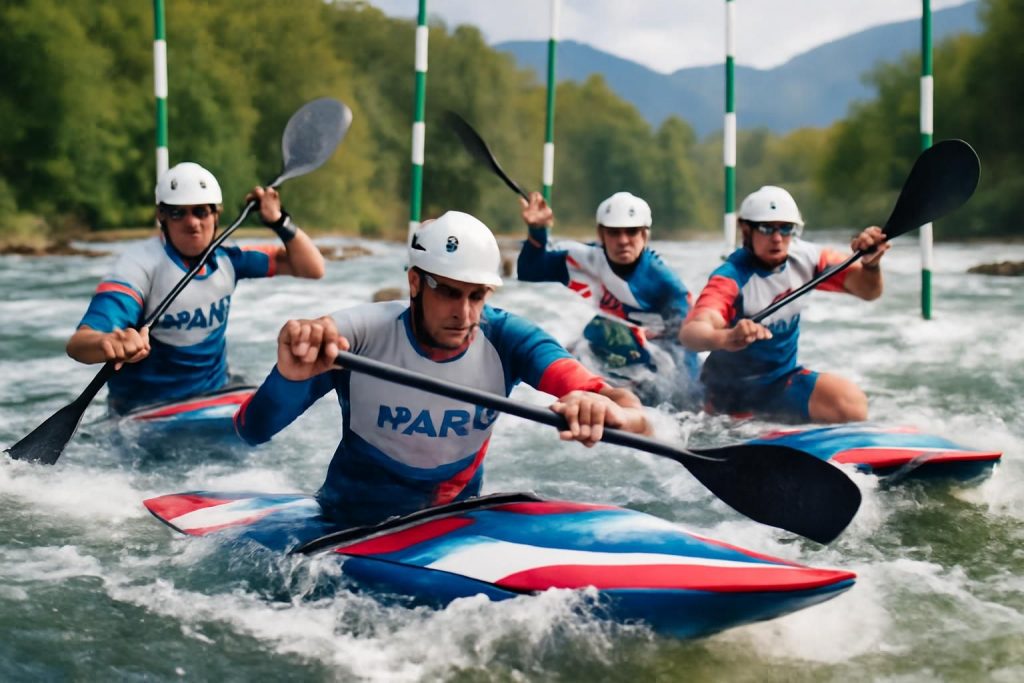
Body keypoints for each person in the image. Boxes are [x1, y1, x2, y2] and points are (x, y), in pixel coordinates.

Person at [234, 211, 650, 528]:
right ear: (415, 282)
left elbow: (631, 411)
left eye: (477, 295)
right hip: (344, 525)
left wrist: (605, 410)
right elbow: (252, 430)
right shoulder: (354, 336)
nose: (464, 314)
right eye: (449, 292)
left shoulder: (510, 339)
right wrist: (288, 378)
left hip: (450, 527)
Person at [66, 161, 325, 414]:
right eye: (178, 213)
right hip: (145, 407)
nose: (192, 222)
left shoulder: (229, 258)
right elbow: (78, 344)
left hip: (215, 394)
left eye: (201, 211)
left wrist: (279, 221)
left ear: (216, 214)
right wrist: (108, 342)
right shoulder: (137, 266)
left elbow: (312, 268)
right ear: (161, 216)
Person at [678, 185, 890, 423]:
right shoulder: (730, 277)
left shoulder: (809, 258)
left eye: (786, 228)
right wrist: (726, 338)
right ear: (746, 230)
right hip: (728, 394)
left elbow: (869, 291)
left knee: (851, 404)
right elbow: (691, 333)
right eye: (766, 228)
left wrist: (871, 265)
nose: (777, 238)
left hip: (780, 381)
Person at [516, 191, 701, 404]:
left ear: (645, 235)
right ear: (600, 234)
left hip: (659, 361)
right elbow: (530, 270)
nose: (623, 241)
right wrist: (537, 231)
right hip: (618, 346)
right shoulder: (585, 258)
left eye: (632, 232)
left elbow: (687, 346)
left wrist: (689, 401)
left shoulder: (666, 284)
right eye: (614, 233)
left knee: (601, 331)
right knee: (578, 345)